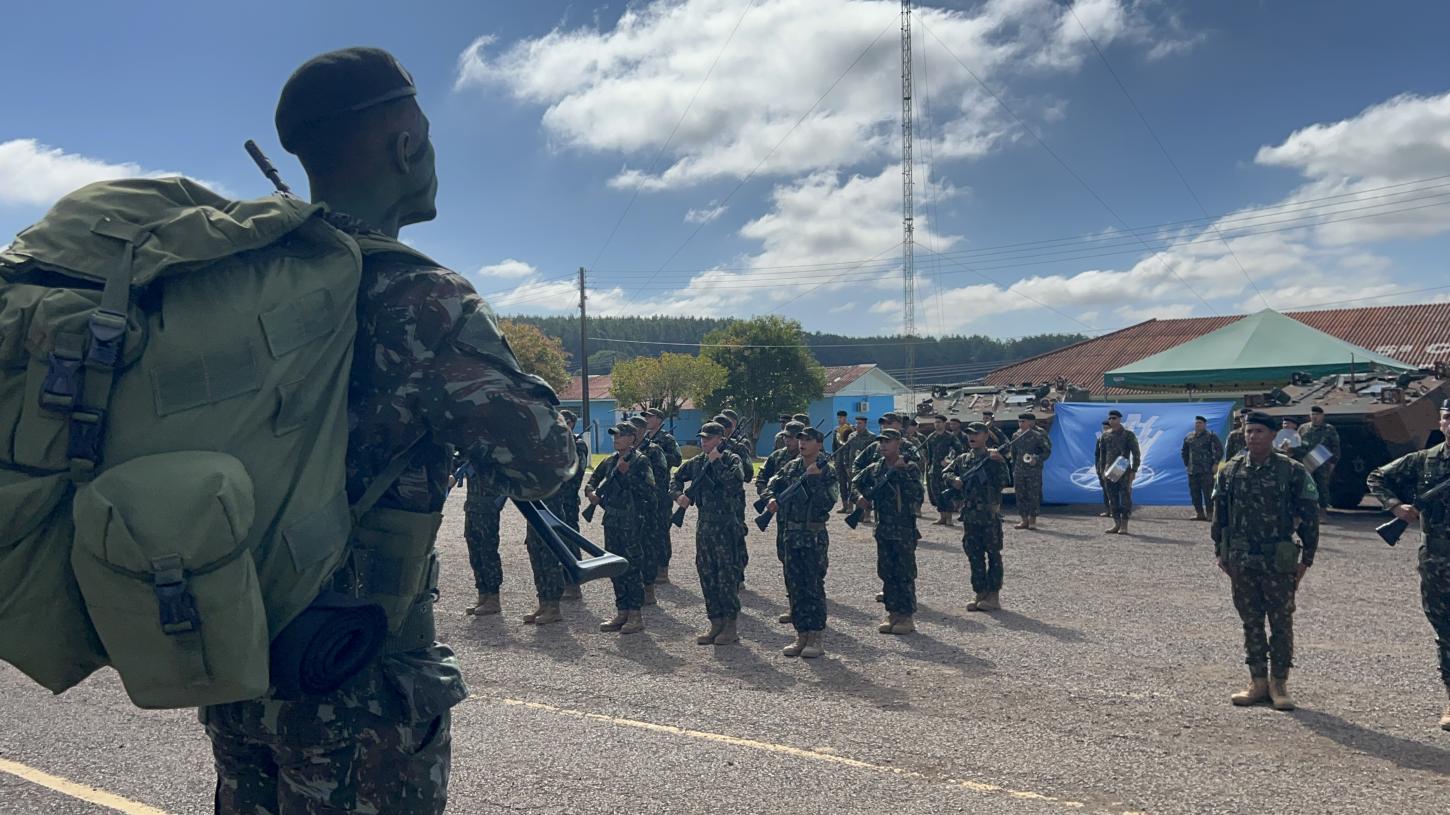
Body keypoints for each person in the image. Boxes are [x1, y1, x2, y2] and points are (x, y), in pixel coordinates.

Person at [203, 47, 579, 815]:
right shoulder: (421, 295)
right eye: (429, 137)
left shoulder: (237, 283)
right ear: (406, 143)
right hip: (360, 678)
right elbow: (545, 458)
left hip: (241, 660)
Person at [1212, 412, 1319, 711]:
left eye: (1259, 431)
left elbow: (1310, 516)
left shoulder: (1292, 471)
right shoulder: (1230, 470)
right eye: (1249, 431)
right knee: (1251, 621)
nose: (1252, 436)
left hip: (1278, 559)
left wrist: (1306, 558)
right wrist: (1220, 551)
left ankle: (1279, 683)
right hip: (1242, 558)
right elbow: (1220, 513)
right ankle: (1257, 681)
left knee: (1281, 622)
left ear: (1274, 435)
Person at [1366, 400, 1450, 731]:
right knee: (1446, 633)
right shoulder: (1424, 460)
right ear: (1441, 423)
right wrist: (1396, 507)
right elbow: (1376, 477)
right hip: (1437, 562)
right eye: (1447, 418)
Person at [671, 422, 748, 646]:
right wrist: (678, 496)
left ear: (720, 440)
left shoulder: (732, 460)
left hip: (726, 526)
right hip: (704, 527)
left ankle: (730, 625)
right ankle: (715, 622)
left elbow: (735, 483)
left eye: (709, 438)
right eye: (702, 437)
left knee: (726, 575)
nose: (704, 441)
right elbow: (675, 478)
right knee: (707, 574)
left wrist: (717, 463)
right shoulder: (697, 463)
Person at [766, 427, 837, 657]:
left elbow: (828, 502)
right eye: (800, 439)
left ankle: (815, 637)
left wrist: (815, 481)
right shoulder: (791, 467)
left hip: (813, 536)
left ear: (819, 444)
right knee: (794, 586)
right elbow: (771, 485)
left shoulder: (827, 470)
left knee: (813, 586)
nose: (802, 443)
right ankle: (801, 635)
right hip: (791, 535)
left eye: (808, 440)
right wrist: (771, 500)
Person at [585, 423, 656, 634]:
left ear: (632, 439)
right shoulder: (609, 461)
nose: (616, 439)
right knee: (614, 567)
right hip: (612, 521)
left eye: (621, 435)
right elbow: (592, 480)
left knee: (632, 567)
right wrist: (591, 493)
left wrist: (628, 476)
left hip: (631, 522)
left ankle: (635, 614)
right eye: (615, 435)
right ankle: (621, 610)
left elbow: (650, 493)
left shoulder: (641, 462)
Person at [853, 429, 924, 635]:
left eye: (888, 441)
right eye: (881, 442)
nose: (883, 445)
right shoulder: (875, 468)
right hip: (883, 529)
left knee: (904, 573)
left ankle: (907, 615)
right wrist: (859, 497)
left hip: (903, 529)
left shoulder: (910, 468)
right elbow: (855, 483)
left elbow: (917, 494)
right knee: (886, 572)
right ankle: (892, 613)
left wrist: (901, 474)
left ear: (898, 443)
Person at [944, 422, 1010, 611]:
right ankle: (980, 592)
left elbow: (1004, 482)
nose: (972, 437)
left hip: (988, 514)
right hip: (970, 514)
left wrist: (998, 463)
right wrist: (953, 480)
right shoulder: (963, 459)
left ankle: (993, 595)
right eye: (969, 434)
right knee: (974, 554)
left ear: (985, 436)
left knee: (993, 554)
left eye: (976, 434)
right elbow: (946, 472)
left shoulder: (993, 458)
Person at [628, 414, 669, 603]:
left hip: (649, 506)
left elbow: (659, 479)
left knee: (648, 546)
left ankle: (649, 587)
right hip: (630, 508)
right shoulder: (625, 452)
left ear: (641, 431)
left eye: (634, 430)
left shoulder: (654, 451)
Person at [460, 459, 505, 615]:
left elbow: (503, 484)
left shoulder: (495, 455)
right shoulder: (471, 456)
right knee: (475, 553)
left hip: (487, 509)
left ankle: (493, 598)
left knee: (488, 552)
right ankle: (482, 594)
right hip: (472, 507)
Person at [643, 408, 682, 582]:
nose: (647, 420)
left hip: (661, 491)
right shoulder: (642, 439)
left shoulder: (667, 439)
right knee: (647, 530)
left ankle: (662, 568)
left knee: (661, 530)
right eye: (646, 417)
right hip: (645, 491)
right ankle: (649, 565)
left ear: (659, 419)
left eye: (650, 417)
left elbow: (677, 459)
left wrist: (658, 452)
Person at [557, 410, 589, 601]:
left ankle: (573, 584)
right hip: (554, 501)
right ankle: (559, 582)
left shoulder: (578, 445)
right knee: (556, 542)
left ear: (570, 424)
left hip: (567, 500)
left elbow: (573, 473)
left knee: (570, 541)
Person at [1097, 409, 1141, 535]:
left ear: (1120, 419)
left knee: (1125, 497)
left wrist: (1134, 470)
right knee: (1112, 498)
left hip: (1123, 469)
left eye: (1114, 418)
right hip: (1109, 470)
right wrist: (1102, 470)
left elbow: (1136, 453)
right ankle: (1116, 523)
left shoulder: (1128, 435)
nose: (1112, 420)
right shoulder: (1105, 435)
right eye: (1110, 418)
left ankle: (1124, 524)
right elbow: (1102, 454)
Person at [1008, 412, 1051, 530]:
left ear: (1030, 423)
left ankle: (1032, 520)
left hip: (1033, 470)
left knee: (1033, 495)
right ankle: (1024, 520)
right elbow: (1014, 453)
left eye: (1023, 421)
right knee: (1020, 495)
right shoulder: (1015, 435)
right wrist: (1013, 468)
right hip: (1019, 469)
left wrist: (1036, 459)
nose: (1021, 424)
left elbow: (1046, 451)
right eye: (1019, 421)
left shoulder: (1038, 435)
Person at [1181, 415, 1225, 522]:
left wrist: (1215, 464)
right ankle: (1199, 513)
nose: (1198, 425)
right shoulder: (1189, 436)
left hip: (1206, 470)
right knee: (1194, 493)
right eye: (1196, 423)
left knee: (1208, 493)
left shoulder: (1211, 436)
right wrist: (1187, 464)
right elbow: (1184, 451)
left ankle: (1210, 514)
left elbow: (1219, 450)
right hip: (1193, 471)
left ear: (1205, 425)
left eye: (1200, 423)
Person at [1298, 405, 1340, 514]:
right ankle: (1307, 510)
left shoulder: (1329, 429)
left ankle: (1323, 510)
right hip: (1306, 460)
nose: (1314, 417)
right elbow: (1297, 443)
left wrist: (1333, 463)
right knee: (1306, 485)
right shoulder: (1303, 428)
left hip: (1322, 460)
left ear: (1322, 416)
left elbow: (1335, 446)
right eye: (1312, 414)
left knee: (1322, 486)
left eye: (1317, 415)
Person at [925, 414, 964, 526]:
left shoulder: (950, 437)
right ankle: (942, 517)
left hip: (947, 470)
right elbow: (929, 454)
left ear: (944, 424)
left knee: (947, 493)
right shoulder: (931, 437)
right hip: (934, 469)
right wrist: (929, 466)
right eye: (935, 422)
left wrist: (950, 461)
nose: (937, 424)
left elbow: (959, 450)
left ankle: (949, 518)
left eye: (939, 422)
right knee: (936, 493)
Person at [835, 415, 873, 513]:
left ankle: (866, 513)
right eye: (856, 423)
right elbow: (846, 451)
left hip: (865, 468)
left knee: (866, 489)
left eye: (860, 423)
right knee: (852, 488)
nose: (857, 425)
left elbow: (873, 453)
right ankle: (850, 508)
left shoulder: (871, 437)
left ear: (865, 424)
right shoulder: (851, 436)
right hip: (852, 466)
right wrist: (846, 465)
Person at [1094, 420, 1112, 517]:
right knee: (1105, 490)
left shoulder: (1116, 438)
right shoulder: (1100, 439)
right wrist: (1097, 467)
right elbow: (1097, 454)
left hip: (1114, 469)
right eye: (1103, 428)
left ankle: (1115, 511)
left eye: (1107, 428)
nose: (1105, 430)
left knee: (1114, 491)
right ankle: (1108, 510)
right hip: (1102, 469)